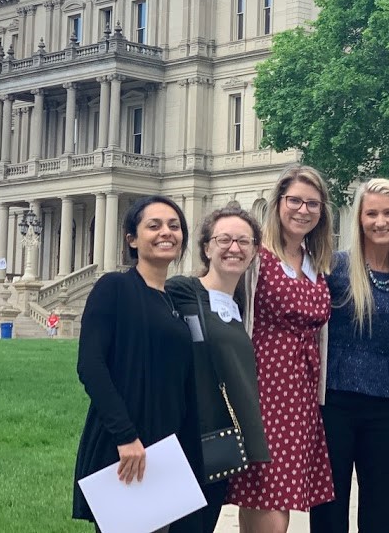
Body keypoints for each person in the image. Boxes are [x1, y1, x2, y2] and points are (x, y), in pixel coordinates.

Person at [72, 195, 204, 532]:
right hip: (130, 443)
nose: (167, 232)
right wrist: (126, 436)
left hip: (168, 445)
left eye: (175, 226)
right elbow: (91, 365)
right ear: (132, 239)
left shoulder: (174, 301)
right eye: (154, 225)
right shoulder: (114, 287)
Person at [228, 165, 335, 533]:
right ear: (278, 203)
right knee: (271, 505)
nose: (303, 210)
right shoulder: (256, 257)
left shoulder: (316, 264)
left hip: (301, 397)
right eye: (295, 201)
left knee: (273, 501)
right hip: (262, 391)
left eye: (313, 204)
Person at [310, 179, 389, 533]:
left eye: (388, 213)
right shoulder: (333, 268)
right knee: (329, 505)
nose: (380, 222)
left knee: (382, 505)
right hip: (335, 401)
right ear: (359, 219)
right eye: (371, 213)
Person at [167, 205, 271, 533]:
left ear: (255, 251)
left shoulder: (245, 308)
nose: (234, 248)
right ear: (207, 247)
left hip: (218, 444)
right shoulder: (182, 291)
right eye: (223, 239)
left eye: (244, 241)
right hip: (181, 436)